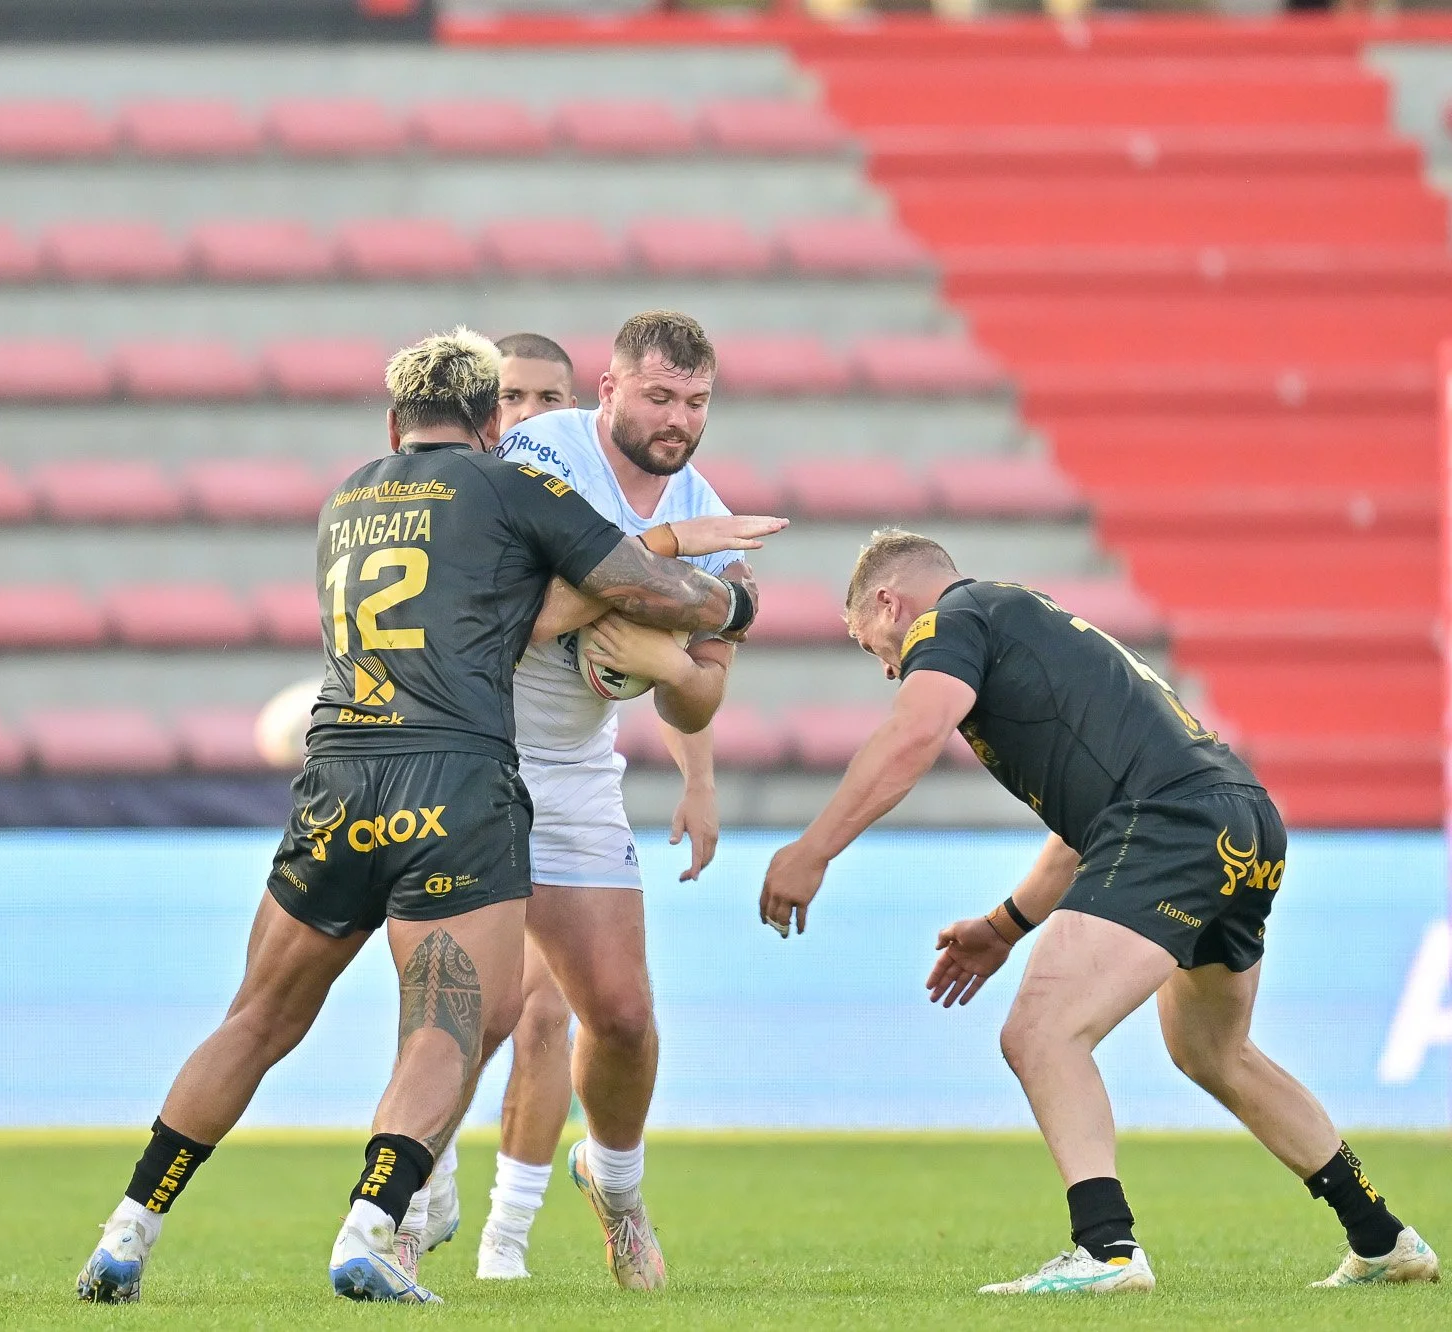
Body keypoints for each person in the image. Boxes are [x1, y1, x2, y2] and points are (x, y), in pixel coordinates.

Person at [76, 329, 778, 1306]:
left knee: (259, 1016)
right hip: (456, 776)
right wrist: (731, 607)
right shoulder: (516, 482)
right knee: (451, 1024)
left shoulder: (346, 499)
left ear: (392, 423)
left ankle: (126, 1230)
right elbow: (627, 589)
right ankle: (379, 1226)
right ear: (492, 422)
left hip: (339, 772)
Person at [757, 529, 1439, 1295]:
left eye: (871, 646)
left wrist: (815, 848)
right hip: (1239, 819)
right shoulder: (1030, 627)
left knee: (1042, 1032)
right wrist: (1003, 927)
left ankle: (1106, 1250)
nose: (889, 668)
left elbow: (915, 732)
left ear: (890, 603)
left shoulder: (949, 621)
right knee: (1212, 1051)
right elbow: (1084, 835)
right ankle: (1381, 1237)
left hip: (1170, 825)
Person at [413, 313, 748, 1289]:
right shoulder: (540, 452)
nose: (678, 419)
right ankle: (408, 1204)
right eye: (659, 396)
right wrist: (653, 568)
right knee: (477, 1008)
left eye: (695, 402)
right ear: (609, 390)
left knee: (624, 1016)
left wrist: (670, 670)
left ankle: (616, 1188)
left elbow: (700, 693)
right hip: (471, 753)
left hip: (573, 773)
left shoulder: (713, 516)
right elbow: (512, 614)